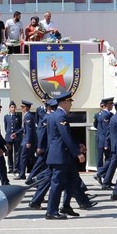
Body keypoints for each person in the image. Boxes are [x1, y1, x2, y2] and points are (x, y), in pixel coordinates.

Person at [44, 92, 82, 220]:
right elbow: (65, 136)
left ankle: (65, 205)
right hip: (60, 155)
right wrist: (77, 153)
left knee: (74, 178)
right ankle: (51, 211)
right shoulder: (60, 116)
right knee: (57, 183)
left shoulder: (56, 115)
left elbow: (65, 136)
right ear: (64, 102)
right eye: (70, 102)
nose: (71, 105)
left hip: (63, 155)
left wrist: (78, 145)